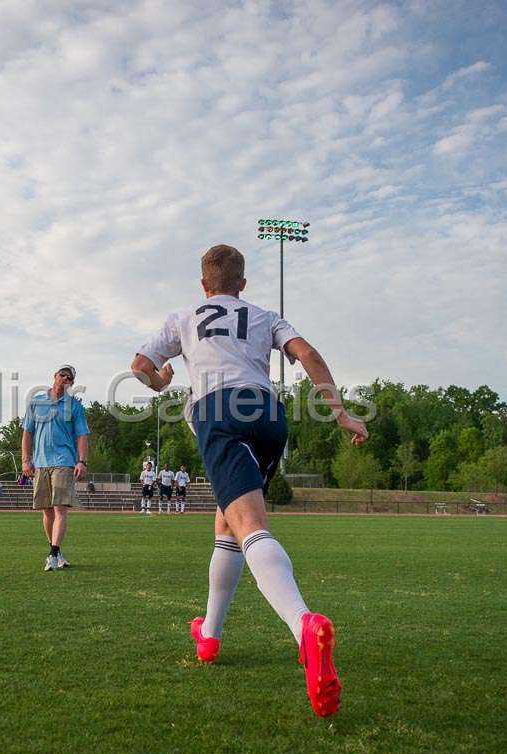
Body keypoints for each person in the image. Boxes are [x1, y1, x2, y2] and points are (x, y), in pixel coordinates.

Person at [131, 243, 368, 718]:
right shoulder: (264, 316)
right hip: (267, 414)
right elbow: (310, 355)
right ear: (242, 284)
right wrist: (340, 413)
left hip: (219, 411)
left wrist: (161, 381)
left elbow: (140, 367)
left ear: (204, 285)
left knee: (249, 525)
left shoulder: (183, 317)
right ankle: (210, 635)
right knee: (227, 524)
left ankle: (305, 627)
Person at [21, 364, 90, 571]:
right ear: (55, 376)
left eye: (69, 378)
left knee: (60, 509)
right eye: (63, 375)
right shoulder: (36, 403)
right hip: (41, 462)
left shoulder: (75, 406)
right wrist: (26, 459)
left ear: (71, 383)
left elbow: (82, 435)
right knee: (47, 511)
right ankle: (57, 551)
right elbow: (27, 434)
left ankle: (52, 554)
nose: (65, 379)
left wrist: (82, 461)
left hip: (64, 461)